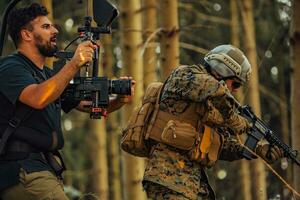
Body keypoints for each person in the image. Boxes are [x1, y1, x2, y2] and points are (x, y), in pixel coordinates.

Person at [0, 3, 134, 200]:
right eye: (46, 27)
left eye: (53, 26)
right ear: (26, 35)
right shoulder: (10, 67)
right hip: (22, 171)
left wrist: (120, 100)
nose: (55, 30)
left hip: (44, 170)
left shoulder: (49, 75)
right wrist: (73, 64)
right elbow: (38, 98)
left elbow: (88, 106)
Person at [142, 44, 283, 200]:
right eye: (235, 83)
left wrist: (256, 149)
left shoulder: (213, 104)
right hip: (167, 179)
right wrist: (239, 121)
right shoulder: (185, 75)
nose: (235, 90)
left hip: (194, 185)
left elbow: (221, 145)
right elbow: (212, 88)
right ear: (221, 70)